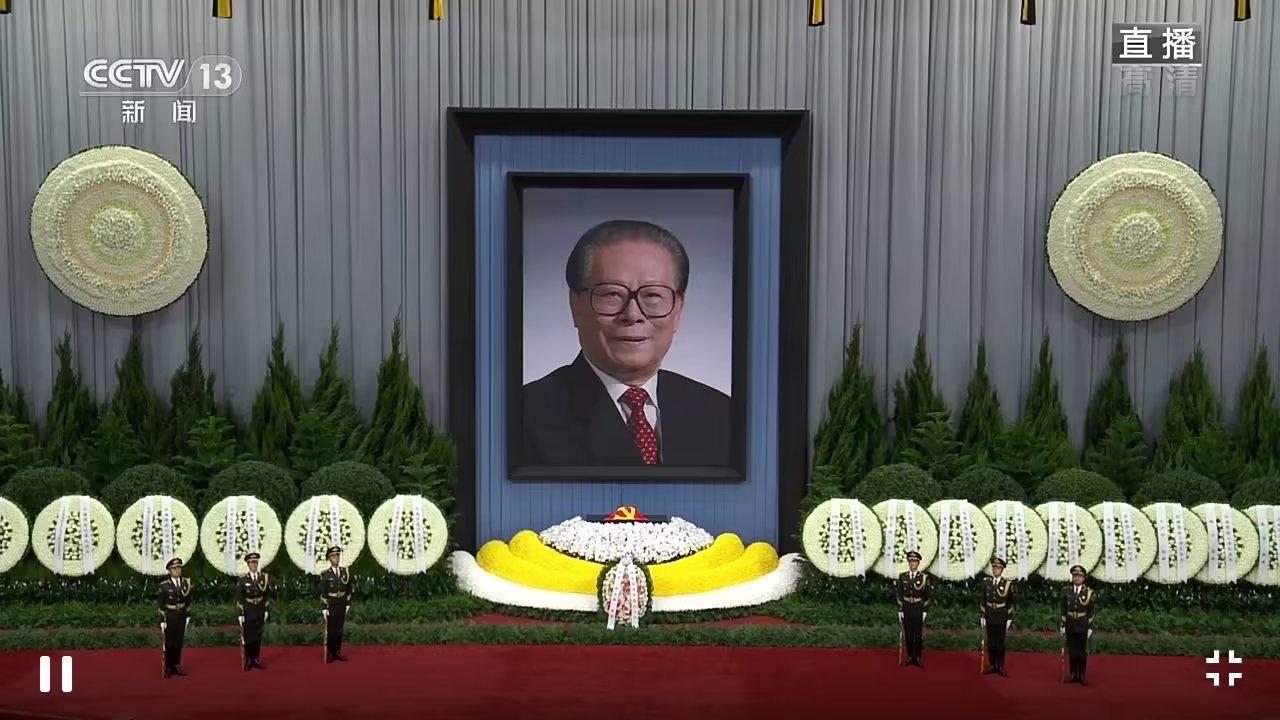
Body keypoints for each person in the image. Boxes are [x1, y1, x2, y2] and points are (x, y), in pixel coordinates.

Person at [521, 219, 731, 467]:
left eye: (653, 295)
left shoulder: (723, 414)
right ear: (576, 305)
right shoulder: (521, 416)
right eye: (611, 294)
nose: (632, 314)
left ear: (678, 311)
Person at [895, 550, 932, 667]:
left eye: (915, 561)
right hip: (907, 607)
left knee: (918, 634)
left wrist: (925, 610)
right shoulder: (902, 577)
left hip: (917, 607)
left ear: (918, 563)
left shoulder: (924, 578)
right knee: (908, 633)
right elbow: (899, 594)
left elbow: (927, 595)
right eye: (910, 561)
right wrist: (900, 609)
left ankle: (918, 657)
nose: (912, 564)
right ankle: (910, 656)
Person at [1060, 564, 1096, 685]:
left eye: (1079, 576)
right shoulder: (1066, 591)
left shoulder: (1089, 593)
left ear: (1083, 578)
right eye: (1075, 576)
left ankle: (1082, 675)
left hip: (1082, 624)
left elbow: (1091, 612)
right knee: (1072, 650)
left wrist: (1090, 627)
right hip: (1070, 623)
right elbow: (1063, 609)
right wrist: (1062, 625)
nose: (1077, 578)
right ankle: (1073, 674)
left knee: (1082, 651)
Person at [236, 552, 272, 670]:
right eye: (251, 562)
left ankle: (256, 658)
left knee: (258, 635)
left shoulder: (263, 578)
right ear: (248, 564)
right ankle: (249, 658)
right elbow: (240, 598)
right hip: (248, 609)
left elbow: (267, 595)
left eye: (255, 562)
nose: (254, 565)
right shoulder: (243, 580)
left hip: (259, 609)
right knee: (248, 636)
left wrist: (266, 609)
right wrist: (240, 614)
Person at [157, 557, 192, 679]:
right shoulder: (164, 586)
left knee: (178, 642)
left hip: (181, 615)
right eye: (174, 569)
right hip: (170, 616)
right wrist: (162, 620)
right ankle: (168, 666)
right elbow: (161, 605)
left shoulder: (185, 583)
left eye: (179, 568)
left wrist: (188, 616)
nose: (177, 570)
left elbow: (188, 601)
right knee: (169, 642)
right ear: (170, 571)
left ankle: (176, 664)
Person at [979, 557, 1015, 675]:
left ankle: (1000, 666)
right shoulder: (986, 583)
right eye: (994, 568)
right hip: (989, 614)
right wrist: (982, 616)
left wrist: (1009, 618)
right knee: (991, 642)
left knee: (1000, 642)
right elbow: (983, 600)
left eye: (998, 568)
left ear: (1002, 570)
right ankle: (992, 664)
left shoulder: (1007, 584)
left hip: (1001, 615)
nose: (996, 570)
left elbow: (1010, 602)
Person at [319, 545, 354, 663]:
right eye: (333, 556)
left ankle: (337, 651)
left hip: (341, 603)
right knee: (331, 630)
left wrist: (348, 603)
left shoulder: (345, 572)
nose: (336, 558)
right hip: (331, 604)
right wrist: (324, 608)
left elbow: (349, 588)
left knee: (339, 629)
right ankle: (330, 653)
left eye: (337, 556)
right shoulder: (325, 574)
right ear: (329, 558)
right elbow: (323, 592)